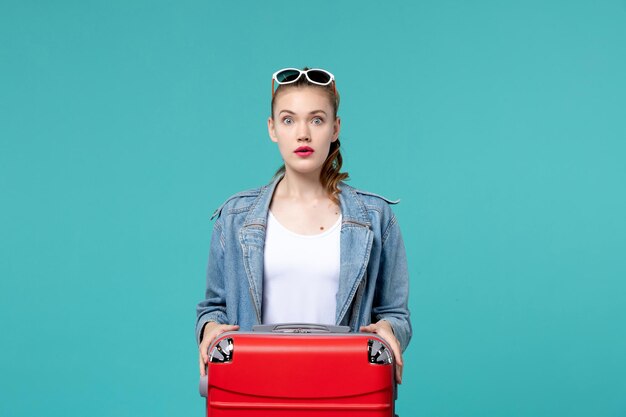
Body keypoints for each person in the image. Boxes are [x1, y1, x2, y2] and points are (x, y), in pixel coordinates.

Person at [196, 67, 411, 383]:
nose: (303, 134)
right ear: (272, 129)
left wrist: (388, 330)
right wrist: (210, 328)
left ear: (335, 128)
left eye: (317, 119)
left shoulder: (376, 218)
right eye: (288, 120)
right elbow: (214, 309)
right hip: (257, 389)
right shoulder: (234, 218)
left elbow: (395, 315)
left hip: (344, 390)